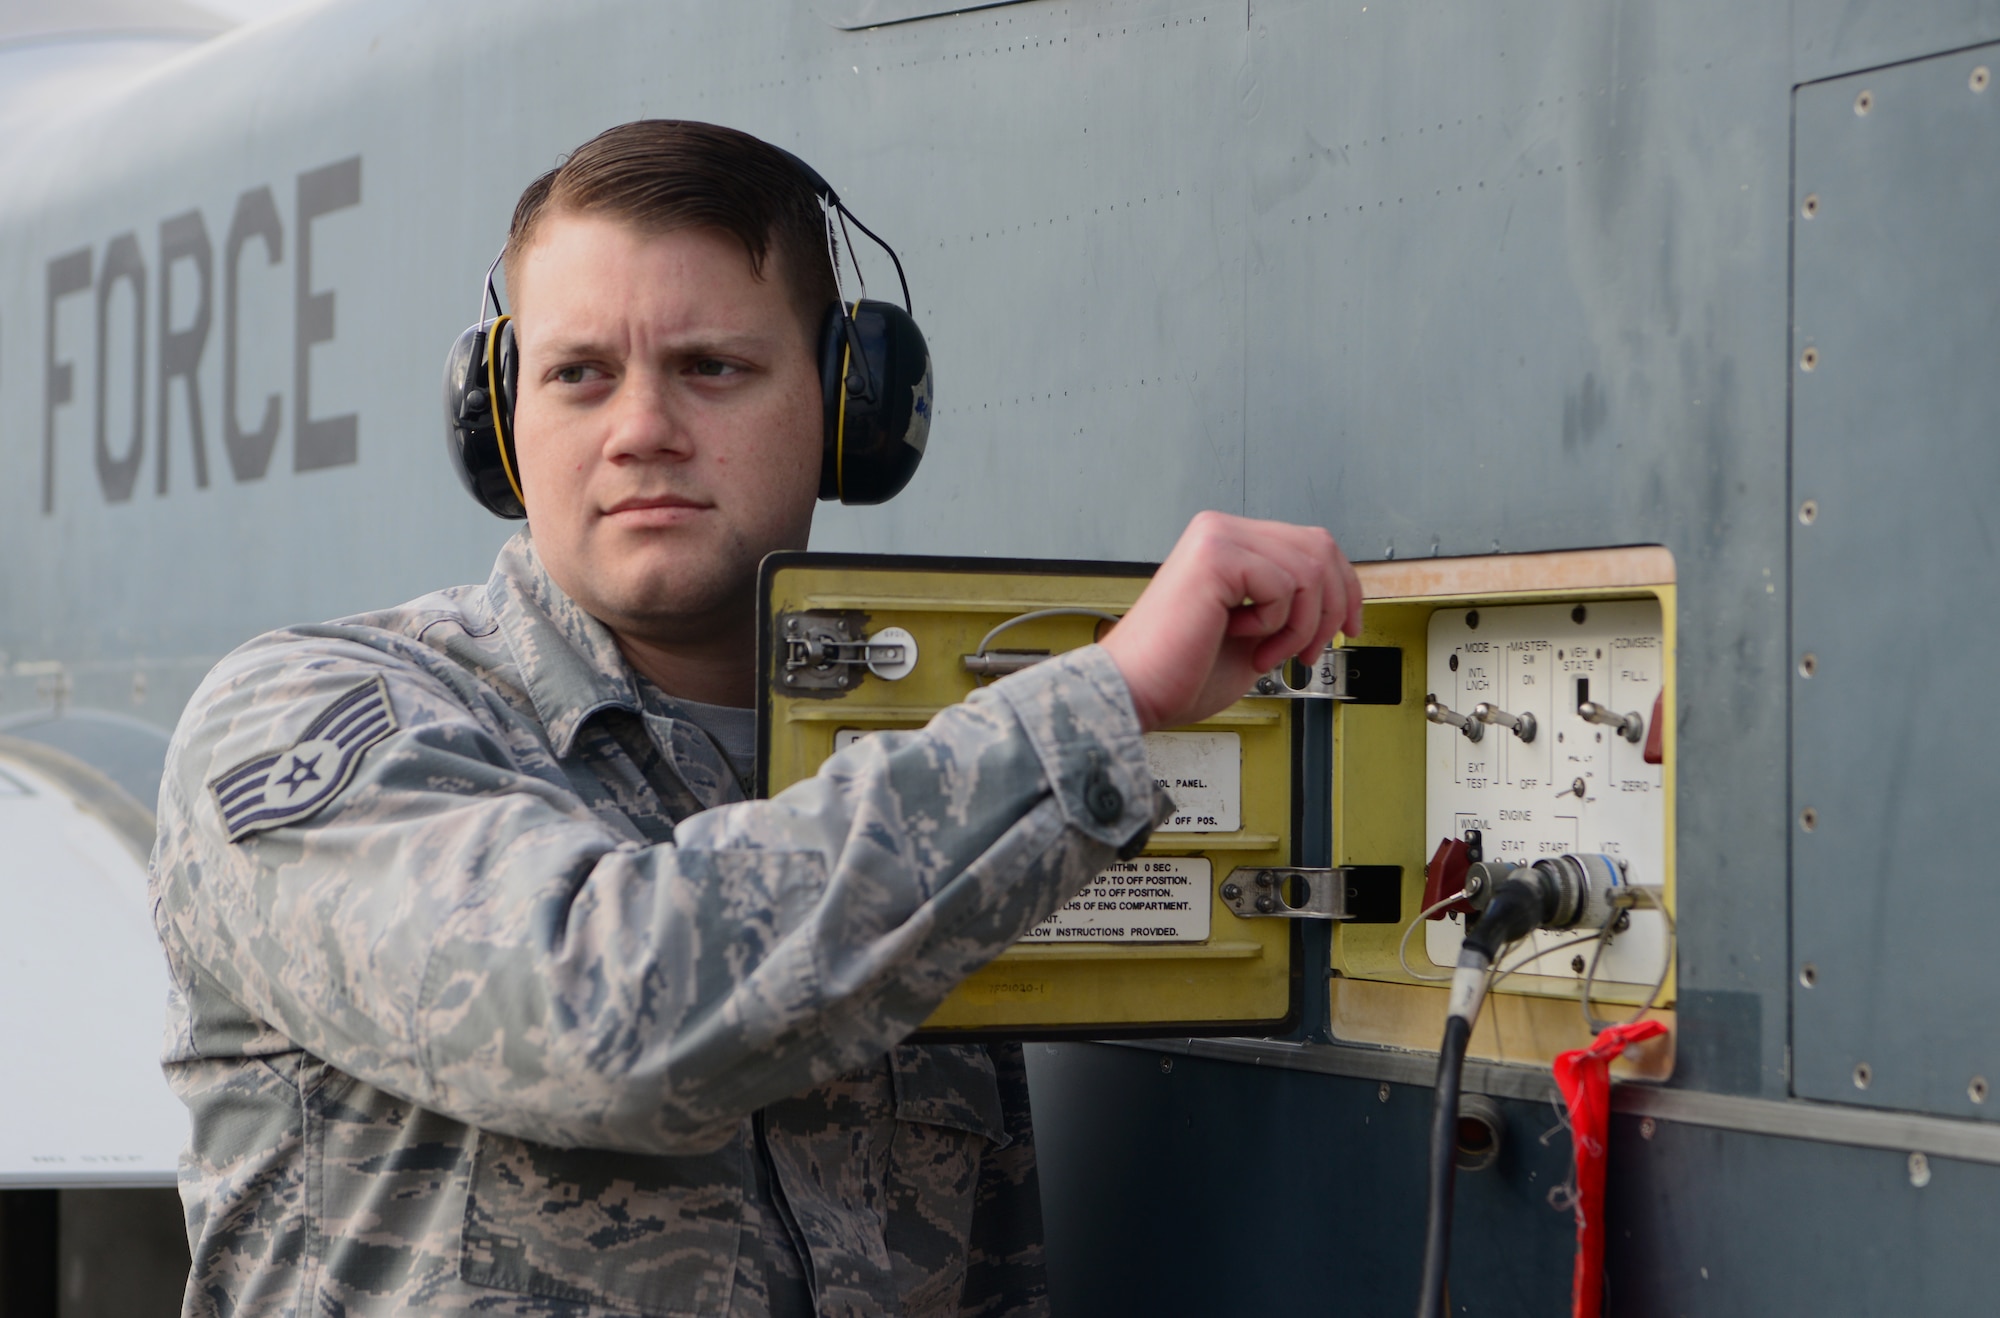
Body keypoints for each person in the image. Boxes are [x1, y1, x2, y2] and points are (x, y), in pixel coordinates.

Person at [150, 120, 1362, 1318]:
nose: (639, 430)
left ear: (849, 412)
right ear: (501, 422)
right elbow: (602, 1013)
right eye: (578, 374)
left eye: (710, 368)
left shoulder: (916, 780)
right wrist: (1103, 704)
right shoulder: (316, 717)